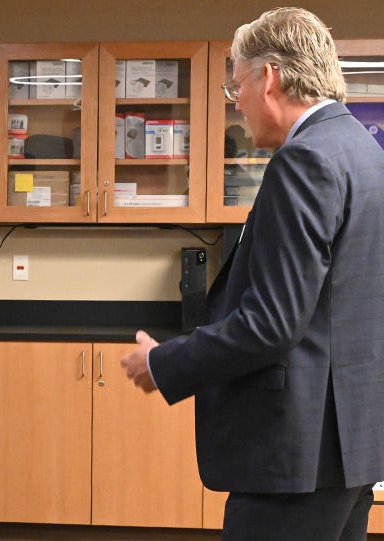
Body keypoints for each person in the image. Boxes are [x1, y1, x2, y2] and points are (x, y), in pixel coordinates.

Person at [119, 8, 384, 541]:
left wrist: (163, 362)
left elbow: (272, 324)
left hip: (295, 458)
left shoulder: (304, 161)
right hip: (351, 447)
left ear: (268, 77)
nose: (235, 102)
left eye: (235, 84)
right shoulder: (363, 151)